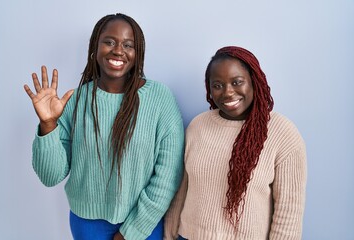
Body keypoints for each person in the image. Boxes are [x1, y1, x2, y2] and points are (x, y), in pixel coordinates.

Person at [24, 13, 184, 240]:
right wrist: (48, 124)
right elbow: (51, 176)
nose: (118, 50)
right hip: (87, 225)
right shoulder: (76, 101)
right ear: (94, 48)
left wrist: (131, 232)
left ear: (137, 53)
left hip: (144, 224)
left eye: (128, 45)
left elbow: (169, 174)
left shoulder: (160, 98)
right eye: (109, 42)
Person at [164, 46, 307, 239]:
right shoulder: (198, 126)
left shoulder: (282, 133)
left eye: (237, 82)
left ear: (254, 82)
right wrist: (169, 236)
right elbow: (181, 190)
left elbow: (288, 211)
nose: (228, 92)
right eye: (217, 85)